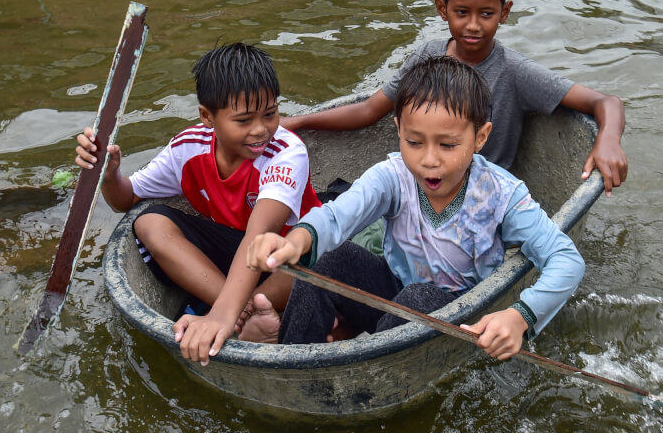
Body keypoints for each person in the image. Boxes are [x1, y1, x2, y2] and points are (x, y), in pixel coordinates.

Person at [179, 55, 585, 367]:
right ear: (397, 132)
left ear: (480, 137)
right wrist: (295, 241)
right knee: (330, 258)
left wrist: (519, 316)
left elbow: (566, 260)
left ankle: (365, 363)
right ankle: (292, 358)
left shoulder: (502, 195)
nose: (429, 161)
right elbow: (340, 216)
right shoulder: (392, 175)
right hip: (391, 290)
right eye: (414, 142)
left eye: (447, 145)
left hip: (455, 309)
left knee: (420, 295)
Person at [280, 0, 627, 196]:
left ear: (504, 13)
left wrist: (607, 139)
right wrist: (299, 122)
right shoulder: (427, 56)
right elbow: (370, 109)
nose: (473, 25)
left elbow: (605, 102)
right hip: (424, 183)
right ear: (443, 9)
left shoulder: (514, 72)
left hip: (480, 197)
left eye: (486, 14)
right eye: (462, 12)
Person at [75, 43, 322, 362]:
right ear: (207, 117)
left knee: (323, 259)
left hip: (288, 257)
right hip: (235, 262)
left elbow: (258, 236)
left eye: (270, 114)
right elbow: (127, 198)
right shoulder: (188, 148)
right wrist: (109, 174)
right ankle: (249, 312)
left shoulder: (287, 153)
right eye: (244, 120)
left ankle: (237, 312)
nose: (261, 130)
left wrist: (220, 317)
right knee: (148, 221)